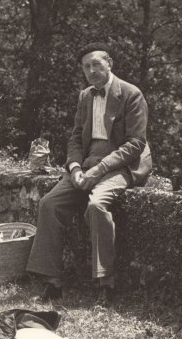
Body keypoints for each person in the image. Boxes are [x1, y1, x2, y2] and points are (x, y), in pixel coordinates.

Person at [27, 42, 152, 304]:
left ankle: (105, 284)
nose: (92, 70)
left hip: (121, 163)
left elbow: (135, 144)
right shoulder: (85, 96)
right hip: (86, 162)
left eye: (97, 64)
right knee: (49, 204)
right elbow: (75, 137)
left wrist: (98, 169)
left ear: (109, 64)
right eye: (86, 66)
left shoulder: (131, 94)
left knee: (96, 205)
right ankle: (53, 282)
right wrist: (74, 167)